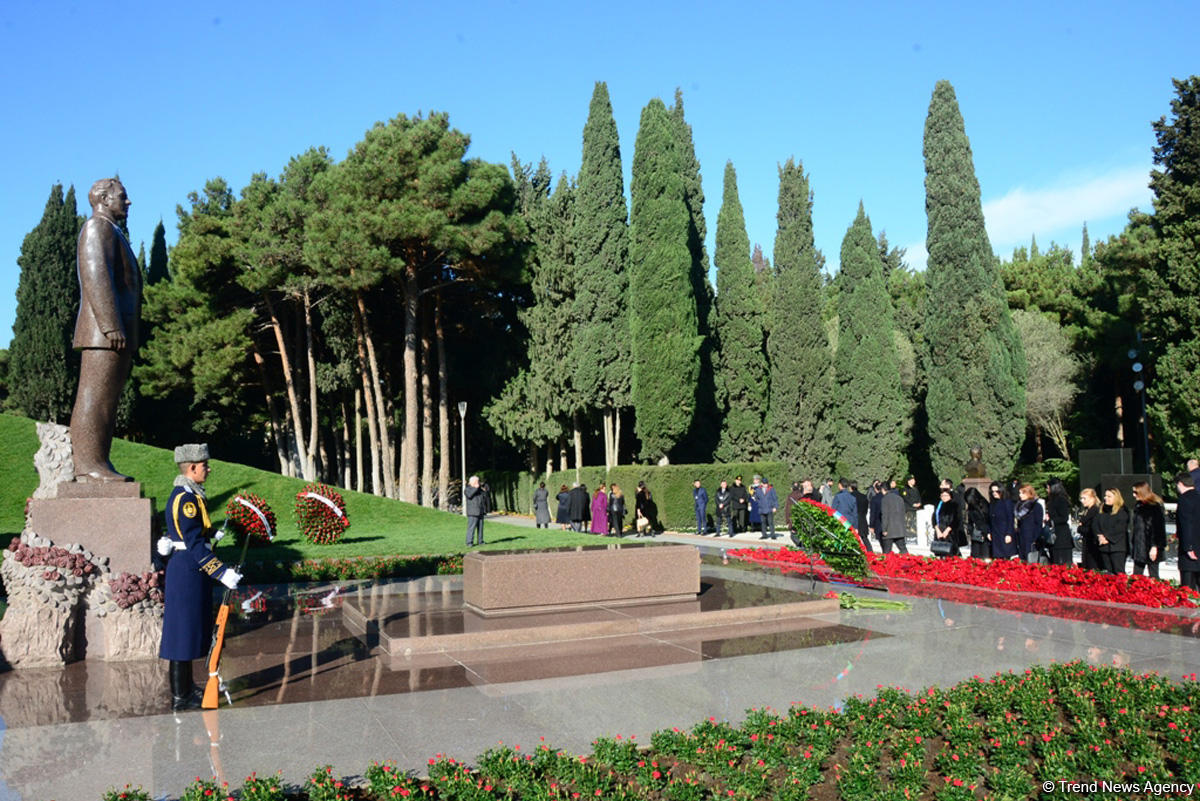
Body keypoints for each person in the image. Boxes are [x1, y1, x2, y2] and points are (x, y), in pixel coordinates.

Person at [70, 178, 142, 483]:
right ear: (103, 198)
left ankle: (98, 460)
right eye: (122, 197)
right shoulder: (96, 228)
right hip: (104, 333)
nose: (128, 202)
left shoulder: (112, 231)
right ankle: (88, 464)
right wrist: (112, 325)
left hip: (114, 332)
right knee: (95, 397)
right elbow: (96, 274)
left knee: (107, 400)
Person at [158, 444, 241, 711]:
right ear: (192, 468)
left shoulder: (191, 494)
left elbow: (191, 533)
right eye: (204, 464)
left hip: (189, 570)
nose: (208, 468)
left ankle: (185, 687)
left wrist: (212, 534)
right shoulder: (186, 498)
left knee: (188, 632)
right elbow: (192, 544)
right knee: (181, 636)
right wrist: (221, 572)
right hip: (187, 570)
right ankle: (180, 697)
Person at [1129, 481, 1166, 578]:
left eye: (1135, 492)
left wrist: (1154, 546)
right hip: (1139, 546)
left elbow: (1158, 528)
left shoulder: (1155, 507)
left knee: (1153, 575)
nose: (1133, 495)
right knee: (1136, 575)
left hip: (1150, 546)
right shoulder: (1138, 506)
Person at [1095, 487, 1129, 576]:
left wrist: (1107, 538)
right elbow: (1095, 524)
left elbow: (1120, 528)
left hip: (1117, 547)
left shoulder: (1122, 511)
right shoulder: (1102, 510)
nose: (1106, 498)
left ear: (1116, 498)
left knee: (1119, 573)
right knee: (1107, 573)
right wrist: (1099, 536)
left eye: (1109, 496)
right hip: (1103, 546)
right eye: (1105, 496)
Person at [1175, 471, 1199, 591]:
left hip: (1190, 551)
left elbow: (1186, 524)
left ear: (1180, 484)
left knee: (1188, 588)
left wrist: (1188, 547)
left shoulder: (1184, 499)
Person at [1044, 478, 1074, 566]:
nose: (1047, 490)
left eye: (1048, 488)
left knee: (1063, 564)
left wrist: (1051, 520)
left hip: (1061, 536)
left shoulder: (1061, 500)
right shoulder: (1052, 500)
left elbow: (1064, 517)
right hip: (1054, 535)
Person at [988, 481, 1017, 560]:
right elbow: (990, 520)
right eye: (992, 491)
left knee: (1005, 556)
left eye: (997, 491)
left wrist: (1009, 534)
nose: (994, 493)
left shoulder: (1007, 502)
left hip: (1004, 533)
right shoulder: (992, 503)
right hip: (995, 533)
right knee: (997, 557)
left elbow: (1010, 519)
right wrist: (989, 532)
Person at [1015, 484, 1043, 563]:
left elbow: (1038, 524)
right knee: (1022, 559)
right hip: (1021, 536)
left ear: (1029, 493)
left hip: (1031, 537)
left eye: (1022, 493)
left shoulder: (1036, 506)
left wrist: (1035, 538)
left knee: (1030, 560)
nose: (1020, 495)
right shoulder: (1019, 506)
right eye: (1019, 493)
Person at [932, 487, 963, 557]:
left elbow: (957, 519)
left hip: (950, 534)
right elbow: (934, 518)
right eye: (942, 496)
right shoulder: (939, 505)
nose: (944, 497)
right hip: (939, 533)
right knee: (940, 552)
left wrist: (947, 530)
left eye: (946, 495)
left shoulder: (954, 505)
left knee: (951, 553)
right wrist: (937, 530)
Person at [1077, 488, 1102, 570]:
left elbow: (1091, 529)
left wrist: (1080, 528)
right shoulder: (1087, 511)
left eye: (1084, 498)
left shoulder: (1095, 511)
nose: (1082, 501)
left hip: (1093, 545)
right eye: (1081, 498)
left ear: (1092, 498)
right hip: (1087, 543)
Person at [879, 481, 908, 554]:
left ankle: (887, 565)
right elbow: (903, 512)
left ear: (883, 489)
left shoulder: (885, 499)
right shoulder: (899, 498)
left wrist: (884, 529)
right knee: (903, 549)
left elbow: (885, 515)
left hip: (889, 529)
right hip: (900, 528)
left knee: (887, 552)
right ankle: (909, 563)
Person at [964, 486, 991, 560]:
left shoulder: (984, 505)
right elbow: (970, 520)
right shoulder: (971, 507)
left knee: (985, 555)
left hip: (984, 532)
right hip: (976, 533)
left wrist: (985, 533)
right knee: (975, 555)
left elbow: (987, 520)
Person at [465, 475, 487, 546]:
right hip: (473, 512)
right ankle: (469, 542)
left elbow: (485, 494)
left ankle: (480, 541)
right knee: (471, 528)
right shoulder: (468, 489)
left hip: (480, 511)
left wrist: (483, 487)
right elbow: (470, 495)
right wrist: (476, 488)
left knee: (480, 528)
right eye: (477, 481)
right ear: (473, 482)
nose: (478, 483)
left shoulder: (479, 490)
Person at [898, 476, 922, 540]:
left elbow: (919, 496)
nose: (914, 481)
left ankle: (915, 534)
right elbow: (906, 498)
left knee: (915, 522)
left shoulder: (915, 488)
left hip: (916, 508)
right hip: (909, 508)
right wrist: (913, 504)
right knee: (909, 522)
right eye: (912, 480)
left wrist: (919, 503)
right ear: (909, 481)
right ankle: (909, 535)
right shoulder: (905, 489)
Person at [851, 481, 870, 548]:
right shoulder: (864, 497)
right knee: (865, 539)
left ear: (850, 488)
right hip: (862, 519)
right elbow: (866, 509)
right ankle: (870, 553)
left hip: (853, 519)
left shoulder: (850, 496)